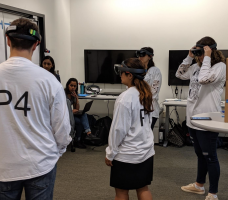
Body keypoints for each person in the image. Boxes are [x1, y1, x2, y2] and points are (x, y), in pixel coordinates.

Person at [0, 18, 72, 200]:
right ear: (36, 45)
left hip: (4, 165)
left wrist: (4, 119)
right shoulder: (49, 80)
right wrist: (56, 152)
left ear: (8, 40)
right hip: (41, 163)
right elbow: (62, 128)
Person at [176, 36, 225, 200]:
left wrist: (208, 57)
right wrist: (189, 56)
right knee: (200, 153)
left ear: (211, 50)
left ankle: (213, 193)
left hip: (208, 119)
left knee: (210, 155)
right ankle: (199, 185)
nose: (199, 56)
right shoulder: (196, 67)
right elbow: (179, 74)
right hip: (193, 118)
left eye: (201, 51)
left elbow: (204, 80)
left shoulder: (219, 67)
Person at [105, 58, 154, 200]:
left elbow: (118, 130)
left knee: (121, 192)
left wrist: (110, 153)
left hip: (127, 154)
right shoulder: (145, 93)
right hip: (145, 151)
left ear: (130, 75)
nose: (120, 75)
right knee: (143, 188)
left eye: (122, 72)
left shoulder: (124, 98)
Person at [65, 78, 98, 149]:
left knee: (83, 114)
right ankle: (80, 139)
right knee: (79, 122)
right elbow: (60, 108)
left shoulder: (73, 94)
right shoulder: (63, 94)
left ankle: (87, 134)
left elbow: (76, 108)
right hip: (65, 115)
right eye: (71, 85)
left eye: (75, 86)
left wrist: (76, 98)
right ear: (68, 85)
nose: (73, 87)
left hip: (71, 114)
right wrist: (70, 111)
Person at [137, 47, 162, 130]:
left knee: (146, 135)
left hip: (150, 109)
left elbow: (154, 91)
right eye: (139, 55)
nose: (140, 57)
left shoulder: (155, 71)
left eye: (143, 55)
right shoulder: (137, 71)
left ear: (150, 56)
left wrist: (140, 96)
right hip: (137, 108)